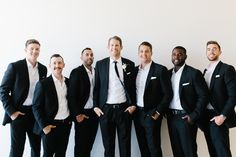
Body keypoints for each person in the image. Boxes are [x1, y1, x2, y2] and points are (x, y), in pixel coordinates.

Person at [0, 39, 47, 157]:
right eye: (32, 48)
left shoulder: (43, 69)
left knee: (36, 148)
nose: (34, 51)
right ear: (26, 50)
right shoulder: (15, 67)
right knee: (17, 149)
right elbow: (3, 90)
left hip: (35, 114)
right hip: (19, 113)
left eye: (37, 49)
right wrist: (12, 112)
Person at [93, 36, 136, 157]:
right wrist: (96, 107)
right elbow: (97, 88)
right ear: (108, 47)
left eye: (117, 45)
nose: (114, 47)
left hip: (124, 110)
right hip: (105, 111)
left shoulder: (129, 64)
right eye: (112, 45)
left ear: (121, 47)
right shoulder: (100, 64)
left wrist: (133, 105)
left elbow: (133, 87)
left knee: (125, 145)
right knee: (108, 146)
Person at [167, 46, 208, 157]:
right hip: (171, 118)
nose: (177, 56)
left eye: (180, 54)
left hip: (186, 118)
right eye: (174, 54)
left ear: (185, 56)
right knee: (177, 152)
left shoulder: (193, 73)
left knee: (189, 152)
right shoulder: (168, 74)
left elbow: (203, 96)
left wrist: (193, 116)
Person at [133, 41, 172, 157]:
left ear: (151, 53)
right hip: (137, 114)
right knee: (142, 146)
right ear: (138, 53)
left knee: (154, 147)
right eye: (141, 51)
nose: (143, 54)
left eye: (146, 51)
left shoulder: (160, 70)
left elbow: (168, 93)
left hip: (152, 113)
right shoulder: (134, 71)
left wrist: (158, 111)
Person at [201, 41, 236, 157]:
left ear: (220, 51)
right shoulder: (205, 71)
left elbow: (233, 96)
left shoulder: (227, 69)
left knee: (222, 152)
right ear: (206, 52)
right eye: (209, 49)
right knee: (212, 151)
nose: (211, 51)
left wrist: (223, 116)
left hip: (219, 116)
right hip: (206, 117)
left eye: (214, 48)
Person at [32, 54, 72, 157]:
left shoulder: (69, 82)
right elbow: (36, 107)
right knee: (48, 155)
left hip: (65, 125)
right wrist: (44, 126)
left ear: (63, 65)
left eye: (59, 63)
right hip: (50, 125)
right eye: (54, 63)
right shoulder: (43, 84)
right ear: (50, 65)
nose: (57, 65)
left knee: (61, 154)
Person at [69, 48, 98, 157]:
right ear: (82, 57)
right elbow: (71, 95)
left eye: (91, 55)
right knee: (80, 146)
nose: (89, 57)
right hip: (82, 114)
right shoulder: (76, 72)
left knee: (89, 146)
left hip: (94, 114)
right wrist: (77, 114)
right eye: (87, 55)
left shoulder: (96, 71)